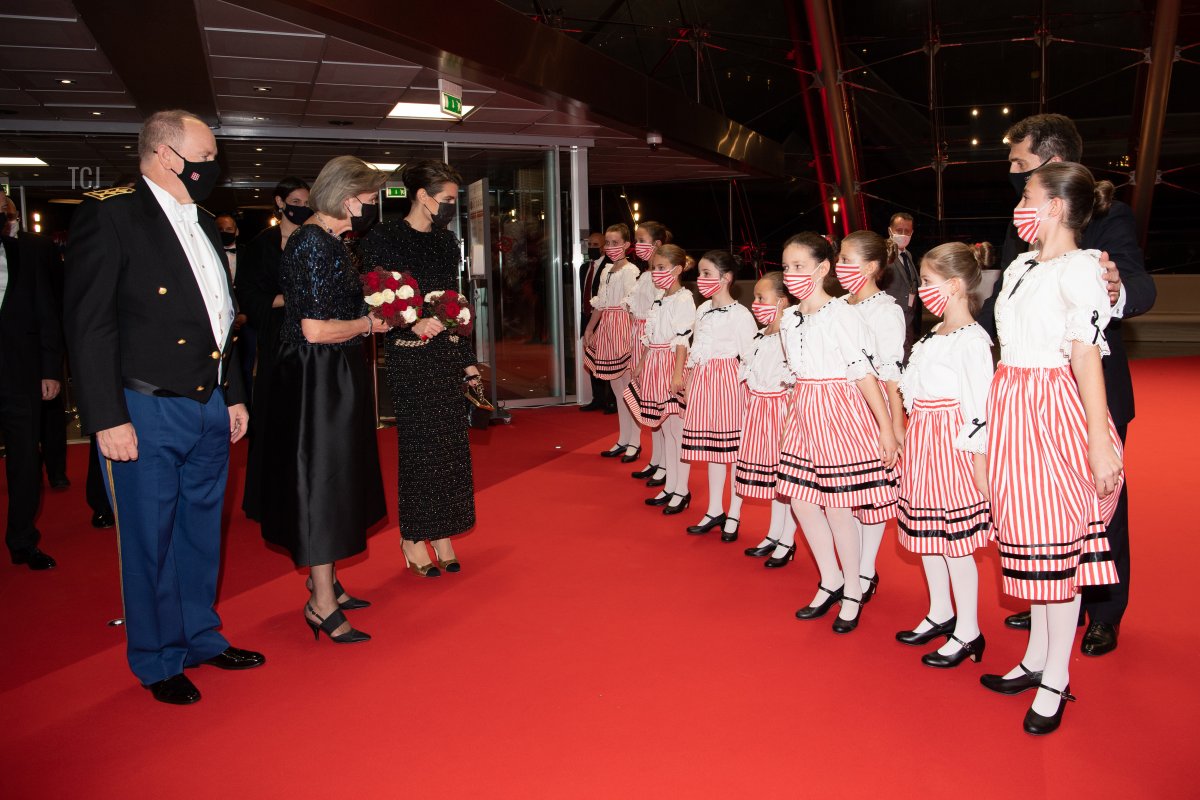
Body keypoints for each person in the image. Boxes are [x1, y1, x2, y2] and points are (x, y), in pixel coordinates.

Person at [65, 109, 263, 705]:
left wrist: (234, 394)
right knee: (150, 538)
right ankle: (156, 659)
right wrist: (105, 416)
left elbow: (222, 317)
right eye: (204, 156)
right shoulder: (111, 213)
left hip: (207, 403)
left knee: (202, 531)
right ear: (166, 155)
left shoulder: (201, 218)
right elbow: (90, 326)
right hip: (144, 406)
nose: (213, 167)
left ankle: (200, 636)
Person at [981, 113, 1155, 657]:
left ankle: (1104, 611)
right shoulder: (1021, 232)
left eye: (1020, 165)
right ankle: (1054, 600)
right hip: (1023, 390)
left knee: (1101, 504)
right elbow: (1006, 309)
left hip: (1087, 385)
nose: (1011, 174)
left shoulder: (1108, 217)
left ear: (1053, 166)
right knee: (1036, 505)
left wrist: (1112, 286)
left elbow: (1140, 288)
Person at [977, 162, 1124, 735]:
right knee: (1029, 543)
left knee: (1054, 551)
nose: (1021, 205)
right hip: (1011, 405)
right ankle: (1036, 656)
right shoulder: (1018, 266)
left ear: (1057, 206)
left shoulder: (1082, 270)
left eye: (1030, 195)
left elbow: (1086, 355)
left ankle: (1056, 679)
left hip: (1049, 412)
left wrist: (1097, 444)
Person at [260, 156, 388, 643]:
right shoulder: (313, 243)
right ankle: (321, 603)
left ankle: (328, 581)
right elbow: (314, 329)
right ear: (347, 196)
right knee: (321, 482)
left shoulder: (327, 240)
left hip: (334, 371)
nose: (372, 208)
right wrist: (369, 324)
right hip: (317, 377)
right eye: (369, 199)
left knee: (335, 479)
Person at [359, 160, 480, 578]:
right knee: (419, 449)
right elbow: (374, 296)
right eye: (446, 199)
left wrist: (466, 359)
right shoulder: (384, 238)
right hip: (409, 355)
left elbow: (453, 301)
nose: (450, 206)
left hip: (444, 352)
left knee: (448, 450)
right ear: (422, 196)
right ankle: (412, 537)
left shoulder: (447, 242)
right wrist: (411, 320)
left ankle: (442, 532)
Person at [776, 233, 899, 633]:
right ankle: (829, 578)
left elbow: (863, 373)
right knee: (801, 500)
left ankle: (851, 587)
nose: (791, 274)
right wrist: (791, 416)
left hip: (838, 410)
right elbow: (795, 374)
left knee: (838, 506)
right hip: (805, 410)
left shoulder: (842, 313)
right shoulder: (790, 318)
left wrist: (886, 429)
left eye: (799, 266)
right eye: (786, 267)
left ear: (823, 268)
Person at [894, 242, 994, 668]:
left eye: (928, 281)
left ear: (954, 286)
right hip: (925, 441)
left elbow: (981, 408)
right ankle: (940, 611)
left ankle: (969, 630)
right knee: (928, 537)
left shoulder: (971, 340)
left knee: (956, 545)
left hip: (953, 446)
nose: (921, 289)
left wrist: (979, 468)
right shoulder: (935, 334)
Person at [236, 176, 311, 521]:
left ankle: (308, 491)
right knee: (273, 417)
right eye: (295, 199)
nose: (302, 205)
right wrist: (287, 300)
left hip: (313, 342)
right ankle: (269, 497)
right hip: (275, 340)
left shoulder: (314, 240)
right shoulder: (260, 246)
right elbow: (249, 296)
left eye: (306, 200)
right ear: (280, 202)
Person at [836, 230, 906, 602]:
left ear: (872, 267)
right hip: (838, 407)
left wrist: (892, 427)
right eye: (840, 258)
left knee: (871, 491)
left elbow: (892, 373)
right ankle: (852, 569)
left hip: (870, 406)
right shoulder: (838, 305)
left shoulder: (885, 310)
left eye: (847, 260)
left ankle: (865, 569)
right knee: (844, 493)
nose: (839, 266)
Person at [1, 185, 63, 571]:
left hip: (20, 374)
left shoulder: (26, 251)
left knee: (25, 461)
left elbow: (47, 311)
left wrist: (49, 369)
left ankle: (22, 540)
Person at [674, 250, 757, 531]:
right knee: (712, 450)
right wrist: (688, 377)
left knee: (731, 450)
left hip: (728, 384)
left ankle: (734, 512)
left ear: (726, 278)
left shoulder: (740, 315)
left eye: (707, 274)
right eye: (700, 274)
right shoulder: (702, 309)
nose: (701, 280)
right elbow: (696, 347)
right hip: (703, 381)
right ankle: (714, 510)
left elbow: (750, 357)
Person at [735, 272, 800, 564]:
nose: (756, 303)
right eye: (755, 298)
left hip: (781, 412)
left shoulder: (790, 336)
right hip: (760, 411)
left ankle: (787, 538)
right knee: (774, 480)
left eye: (762, 298)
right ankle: (775, 532)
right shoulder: (762, 336)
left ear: (783, 301)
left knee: (786, 480)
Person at [625, 245, 695, 508]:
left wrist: (677, 374)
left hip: (670, 364)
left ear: (677, 270)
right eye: (655, 268)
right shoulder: (661, 298)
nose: (656, 273)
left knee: (676, 431)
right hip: (655, 362)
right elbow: (650, 335)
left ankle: (682, 489)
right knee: (665, 429)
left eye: (662, 268)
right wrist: (642, 363)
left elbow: (682, 340)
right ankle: (670, 486)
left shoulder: (683, 299)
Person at [584, 224, 640, 461]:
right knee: (617, 390)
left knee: (628, 388)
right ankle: (623, 438)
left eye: (615, 243)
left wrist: (631, 338)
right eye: (608, 242)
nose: (610, 247)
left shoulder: (631, 271)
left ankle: (635, 442)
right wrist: (590, 327)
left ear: (627, 245)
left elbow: (632, 306)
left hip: (623, 328)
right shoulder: (606, 270)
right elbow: (601, 303)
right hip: (608, 325)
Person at [626, 220, 670, 487]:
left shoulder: (660, 278)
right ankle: (657, 459)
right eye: (637, 239)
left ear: (657, 244)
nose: (638, 245)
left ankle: (665, 463)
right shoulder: (645, 274)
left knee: (659, 406)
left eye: (642, 240)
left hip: (652, 341)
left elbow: (657, 316)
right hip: (639, 336)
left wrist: (645, 350)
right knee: (648, 404)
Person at [579, 231, 615, 413]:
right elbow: (583, 295)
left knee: (608, 362)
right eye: (590, 245)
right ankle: (597, 399)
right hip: (587, 319)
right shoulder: (584, 268)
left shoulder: (611, 267)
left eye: (596, 245)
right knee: (592, 360)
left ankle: (612, 401)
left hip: (604, 320)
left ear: (603, 248)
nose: (592, 248)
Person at [883, 212, 921, 355]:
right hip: (891, 315)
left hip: (909, 314)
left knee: (906, 351)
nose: (904, 235)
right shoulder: (883, 254)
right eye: (899, 231)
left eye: (907, 231)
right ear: (890, 231)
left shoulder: (908, 254)